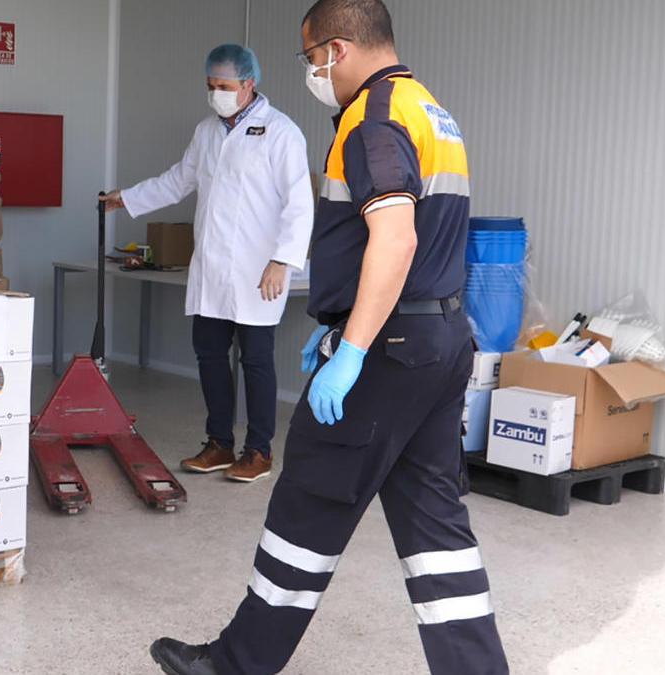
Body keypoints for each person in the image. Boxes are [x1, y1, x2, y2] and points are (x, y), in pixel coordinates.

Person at [148, 1, 509, 674]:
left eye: (312, 57)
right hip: (440, 340)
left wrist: (353, 348)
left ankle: (234, 665)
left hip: (389, 351)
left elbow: (395, 239)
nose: (314, 72)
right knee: (435, 524)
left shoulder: (371, 119)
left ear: (337, 50)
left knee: (309, 498)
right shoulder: (430, 108)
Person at [101, 44, 313, 484]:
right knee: (210, 355)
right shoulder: (206, 131)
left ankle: (258, 451)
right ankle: (219, 443)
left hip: (259, 272)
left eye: (224, 86)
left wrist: (283, 260)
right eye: (210, 86)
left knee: (256, 360)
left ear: (249, 85)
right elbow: (180, 180)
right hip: (213, 268)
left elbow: (299, 204)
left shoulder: (281, 133)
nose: (215, 93)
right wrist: (129, 197)